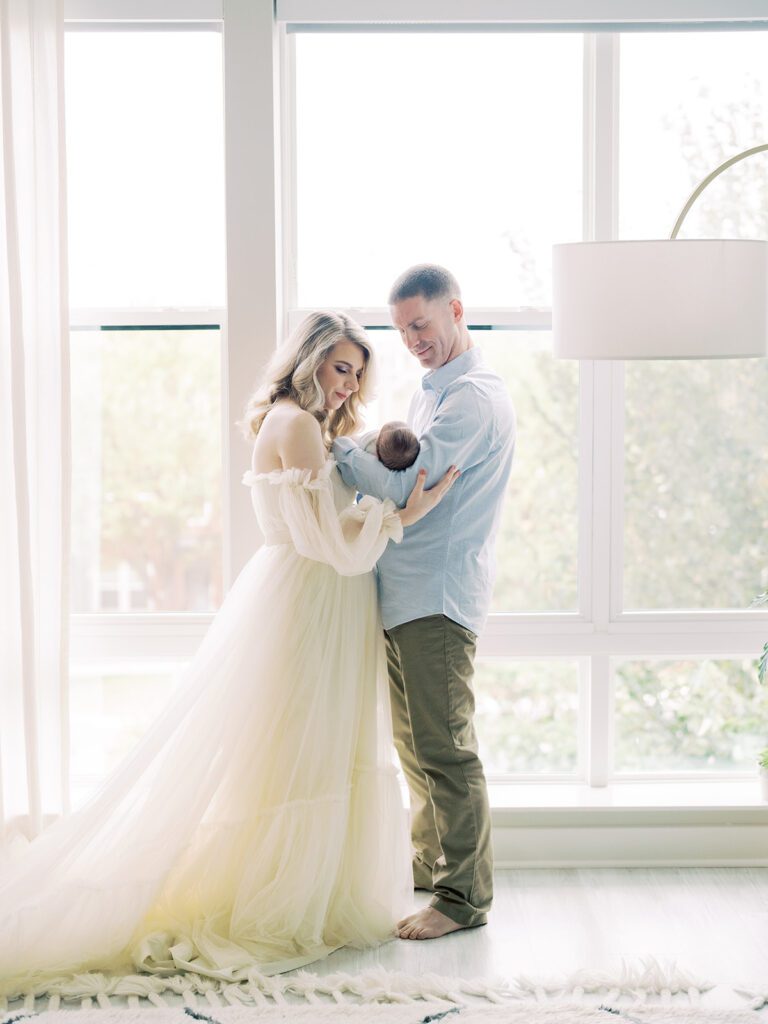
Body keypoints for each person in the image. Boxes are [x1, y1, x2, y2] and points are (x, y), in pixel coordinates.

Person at [0, 310, 458, 1001]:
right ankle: (281, 900)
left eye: (358, 374)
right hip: (313, 598)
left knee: (297, 749)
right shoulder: (298, 425)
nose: (348, 385)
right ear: (308, 361)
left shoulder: (295, 422)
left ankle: (296, 889)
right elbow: (330, 543)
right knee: (301, 748)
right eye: (340, 368)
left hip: (312, 598)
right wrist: (407, 514)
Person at [333, 264, 516, 942]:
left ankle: (464, 898)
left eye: (422, 324)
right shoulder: (431, 395)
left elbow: (402, 481)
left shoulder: (469, 399)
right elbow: (402, 480)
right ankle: (430, 863)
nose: (412, 339)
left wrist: (335, 450)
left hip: (437, 596)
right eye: (403, 328)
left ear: (456, 311)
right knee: (414, 744)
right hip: (407, 592)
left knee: (445, 748)